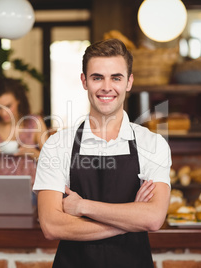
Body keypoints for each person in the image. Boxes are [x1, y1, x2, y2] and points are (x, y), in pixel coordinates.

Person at [33, 39, 172, 267]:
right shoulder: (58, 144)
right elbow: (51, 225)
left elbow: (154, 218)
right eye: (97, 77)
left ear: (129, 82)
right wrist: (130, 220)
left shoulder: (153, 143)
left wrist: (82, 207)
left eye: (116, 78)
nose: (107, 87)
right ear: (84, 81)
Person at [0, 77, 48, 187]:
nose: (3, 113)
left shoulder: (35, 122)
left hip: (29, 188)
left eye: (8, 106)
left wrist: (30, 151)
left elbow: (50, 161)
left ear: (18, 100)